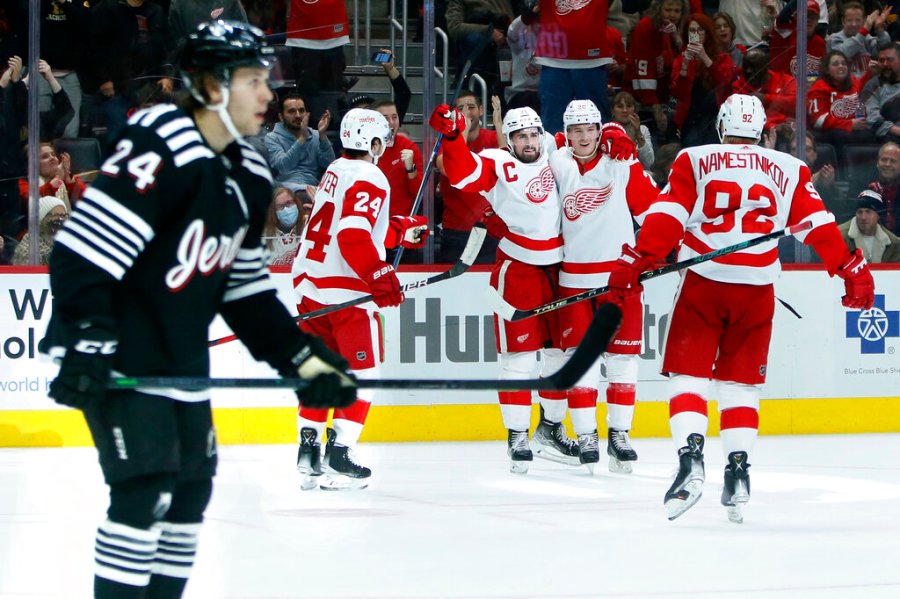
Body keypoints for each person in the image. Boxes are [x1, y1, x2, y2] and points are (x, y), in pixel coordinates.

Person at [39, 21, 356, 599]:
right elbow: (84, 252)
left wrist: (301, 358)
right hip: (120, 350)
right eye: (254, 81)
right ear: (211, 85)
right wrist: (86, 337)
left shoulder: (250, 171)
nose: (267, 96)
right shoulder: (164, 139)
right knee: (145, 489)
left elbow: (246, 291)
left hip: (179, 358)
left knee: (188, 494)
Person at [607, 93, 875, 523]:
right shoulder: (789, 167)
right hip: (756, 291)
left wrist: (636, 261)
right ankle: (738, 473)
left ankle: (690, 459)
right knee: (741, 386)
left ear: (721, 126)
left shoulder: (694, 159)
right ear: (763, 130)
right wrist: (850, 269)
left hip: (705, 284)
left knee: (688, 375)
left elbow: (668, 217)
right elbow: (817, 226)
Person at [291, 108, 428, 491]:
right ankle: (340, 453)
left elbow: (343, 225)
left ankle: (309, 450)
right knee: (362, 374)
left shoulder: (336, 168)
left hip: (311, 287)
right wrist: (380, 274)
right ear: (373, 142)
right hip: (346, 293)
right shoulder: (372, 175)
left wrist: (395, 231)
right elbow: (352, 237)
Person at [431, 102, 568, 473]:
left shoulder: (557, 151)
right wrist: (454, 137)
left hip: (560, 268)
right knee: (520, 360)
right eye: (520, 136)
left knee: (559, 354)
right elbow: (461, 174)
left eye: (533, 134)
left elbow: (591, 143)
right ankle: (517, 434)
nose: (529, 141)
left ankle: (551, 428)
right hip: (518, 269)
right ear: (509, 140)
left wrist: (616, 138)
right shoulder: (497, 163)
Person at [550, 99, 657, 473]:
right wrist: (615, 130)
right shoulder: (557, 161)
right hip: (574, 281)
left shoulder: (622, 162)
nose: (583, 137)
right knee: (582, 362)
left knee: (623, 360)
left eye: (591, 129)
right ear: (567, 133)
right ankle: (586, 436)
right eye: (575, 130)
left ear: (598, 130)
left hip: (620, 280)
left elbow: (652, 212)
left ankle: (619, 434)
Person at [436, 90, 501, 263]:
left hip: (491, 232)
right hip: (456, 233)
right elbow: (448, 168)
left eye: (471, 107)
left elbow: (509, 166)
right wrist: (461, 131)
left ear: (480, 110)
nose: (466, 112)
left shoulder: (493, 138)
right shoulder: (445, 142)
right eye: (460, 108)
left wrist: (499, 125)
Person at [626, 0, 689, 143]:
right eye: (668, 10)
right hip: (641, 98)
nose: (672, 15)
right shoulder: (645, 27)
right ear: (659, 8)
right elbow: (643, 69)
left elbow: (685, 60)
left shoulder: (678, 27)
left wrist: (676, 38)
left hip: (664, 96)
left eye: (676, 11)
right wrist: (656, 108)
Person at [670, 13, 737, 147]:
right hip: (690, 118)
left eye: (701, 30)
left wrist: (706, 59)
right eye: (692, 31)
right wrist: (685, 65)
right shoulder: (680, 60)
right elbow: (678, 93)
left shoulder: (722, 58)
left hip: (715, 117)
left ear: (708, 33)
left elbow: (726, 85)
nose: (697, 34)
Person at [264, 91, 334, 189]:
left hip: (312, 188)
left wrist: (322, 135)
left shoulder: (315, 135)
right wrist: (302, 139)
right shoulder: (272, 138)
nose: (298, 115)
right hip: (286, 190)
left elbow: (330, 165)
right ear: (281, 117)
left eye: (301, 111)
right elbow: (283, 167)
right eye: (291, 111)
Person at [373, 100, 424, 220]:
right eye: (385, 118)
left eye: (394, 117)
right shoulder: (364, 148)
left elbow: (420, 195)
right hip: (371, 222)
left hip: (399, 224)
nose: (391, 122)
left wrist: (411, 170)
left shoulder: (409, 147)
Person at [827, 2, 891, 79]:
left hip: (867, 86)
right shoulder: (834, 39)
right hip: (844, 88)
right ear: (843, 21)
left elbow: (883, 50)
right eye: (849, 20)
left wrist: (880, 30)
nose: (854, 24)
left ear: (864, 21)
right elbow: (842, 55)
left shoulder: (866, 38)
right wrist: (864, 31)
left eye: (858, 20)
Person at [839, 188, 900, 262]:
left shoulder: (893, 243)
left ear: (878, 215)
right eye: (860, 212)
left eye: (868, 212)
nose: (863, 217)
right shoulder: (838, 236)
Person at [12, 196, 68, 265]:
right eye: (56, 215)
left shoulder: (64, 241)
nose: (61, 219)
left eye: (64, 215)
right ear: (43, 218)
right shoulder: (29, 247)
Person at [263, 185, 309, 266]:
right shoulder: (264, 233)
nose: (286, 209)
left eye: (289, 203)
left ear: (296, 202)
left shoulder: (310, 224)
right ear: (273, 211)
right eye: (280, 206)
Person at [611, 91, 655, 169]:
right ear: (613, 111)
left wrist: (638, 133)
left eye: (629, 106)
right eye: (620, 106)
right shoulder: (607, 131)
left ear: (634, 110)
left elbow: (649, 163)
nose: (625, 110)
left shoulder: (643, 130)